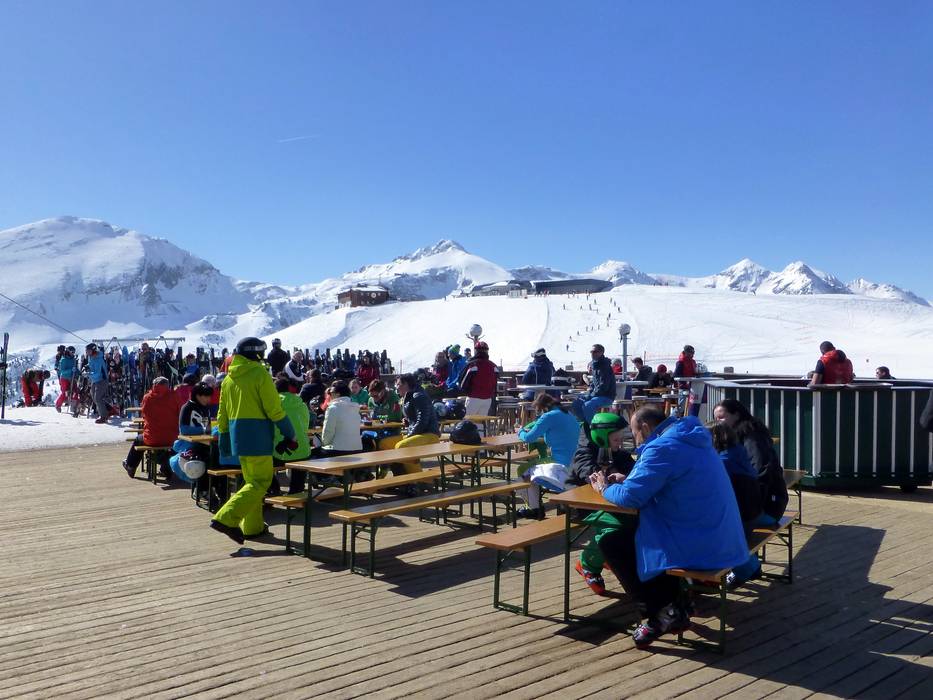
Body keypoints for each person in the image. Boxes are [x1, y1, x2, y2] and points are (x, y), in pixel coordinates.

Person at [591, 407, 748, 649]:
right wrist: (629, 480)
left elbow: (631, 498)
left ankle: (660, 613)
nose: (634, 439)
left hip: (703, 543)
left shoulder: (662, 447)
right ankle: (676, 603)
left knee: (613, 542)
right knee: (642, 534)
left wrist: (604, 488)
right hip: (722, 535)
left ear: (645, 428)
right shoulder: (691, 437)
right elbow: (672, 480)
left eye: (634, 432)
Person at [211, 337, 298, 544]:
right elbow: (274, 409)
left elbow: (222, 414)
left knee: (252, 482)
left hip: (238, 437)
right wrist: (290, 433)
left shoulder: (228, 379)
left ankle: (252, 527)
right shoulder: (259, 374)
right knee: (261, 482)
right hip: (258, 435)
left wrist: (224, 441)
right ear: (257, 354)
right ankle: (225, 518)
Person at [712, 398, 789, 587]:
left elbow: (762, 469)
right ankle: (748, 565)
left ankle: (747, 568)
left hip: (769, 506)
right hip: (764, 502)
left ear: (736, 415)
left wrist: (752, 502)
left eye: (721, 417)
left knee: (722, 526)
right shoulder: (739, 437)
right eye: (715, 418)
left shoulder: (751, 436)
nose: (718, 422)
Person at [569, 412, 638, 594]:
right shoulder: (584, 453)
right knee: (615, 527)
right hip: (584, 506)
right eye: (616, 440)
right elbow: (589, 474)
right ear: (602, 438)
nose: (620, 443)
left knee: (638, 520)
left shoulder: (619, 453)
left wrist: (628, 476)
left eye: (621, 439)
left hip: (613, 503)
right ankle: (587, 563)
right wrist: (605, 476)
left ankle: (610, 556)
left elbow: (634, 471)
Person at [516, 394, 581, 519]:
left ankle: (534, 508)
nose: (538, 414)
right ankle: (542, 505)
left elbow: (529, 438)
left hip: (559, 463)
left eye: (538, 411)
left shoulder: (548, 416)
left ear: (543, 408)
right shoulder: (568, 414)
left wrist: (520, 432)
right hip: (574, 462)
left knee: (522, 469)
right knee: (534, 467)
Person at [122, 377, 178, 479]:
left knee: (139, 439)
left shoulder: (148, 397)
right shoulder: (174, 396)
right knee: (168, 443)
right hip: (172, 437)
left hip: (153, 438)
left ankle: (131, 465)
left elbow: (145, 414)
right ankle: (165, 466)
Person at [268, 377, 311, 495]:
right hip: (303, 450)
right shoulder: (301, 403)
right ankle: (297, 492)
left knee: (261, 464)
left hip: (280, 452)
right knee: (300, 465)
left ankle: (274, 489)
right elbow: (305, 427)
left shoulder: (273, 404)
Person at [392, 373, 441, 475]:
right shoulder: (409, 396)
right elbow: (415, 419)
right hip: (419, 433)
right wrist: (408, 421)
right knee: (387, 445)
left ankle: (419, 478)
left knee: (401, 446)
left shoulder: (419, 396)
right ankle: (403, 477)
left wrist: (409, 435)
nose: (396, 387)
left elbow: (422, 421)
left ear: (406, 384)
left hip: (430, 434)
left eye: (398, 384)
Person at [169, 382, 214, 483]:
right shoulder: (187, 408)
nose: (209, 399)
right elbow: (184, 429)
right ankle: (202, 487)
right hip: (189, 444)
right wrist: (204, 430)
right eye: (206, 396)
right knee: (204, 458)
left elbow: (206, 426)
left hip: (203, 443)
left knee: (214, 456)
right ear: (198, 396)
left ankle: (209, 485)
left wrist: (209, 429)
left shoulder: (205, 408)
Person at [571, 344, 616, 423]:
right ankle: (586, 423)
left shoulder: (605, 366)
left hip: (606, 396)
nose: (592, 353)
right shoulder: (595, 365)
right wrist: (590, 392)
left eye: (595, 351)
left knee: (588, 405)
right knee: (576, 403)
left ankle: (593, 426)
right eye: (591, 352)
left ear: (601, 352)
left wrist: (591, 395)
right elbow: (594, 383)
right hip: (597, 395)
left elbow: (603, 387)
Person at [459, 341, 498, 416]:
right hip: (487, 399)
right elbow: (495, 383)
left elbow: (462, 383)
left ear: (476, 351)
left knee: (469, 421)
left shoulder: (472, 364)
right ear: (487, 351)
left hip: (473, 398)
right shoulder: (494, 366)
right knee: (480, 421)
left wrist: (466, 392)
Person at [86, 343, 114, 423]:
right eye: (86, 350)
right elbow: (91, 366)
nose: (87, 352)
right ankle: (107, 410)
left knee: (97, 398)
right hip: (94, 380)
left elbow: (98, 373)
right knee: (94, 398)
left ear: (93, 350)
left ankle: (103, 416)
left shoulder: (99, 359)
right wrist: (86, 367)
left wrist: (88, 374)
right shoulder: (91, 357)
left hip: (101, 380)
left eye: (88, 350)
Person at [55, 346, 77, 412]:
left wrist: (78, 372)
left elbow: (75, 368)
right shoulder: (63, 360)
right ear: (68, 351)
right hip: (64, 378)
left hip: (72, 378)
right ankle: (58, 405)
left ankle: (74, 407)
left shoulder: (73, 359)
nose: (73, 353)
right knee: (65, 393)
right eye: (72, 352)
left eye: (74, 352)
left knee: (75, 392)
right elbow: (62, 371)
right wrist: (71, 370)